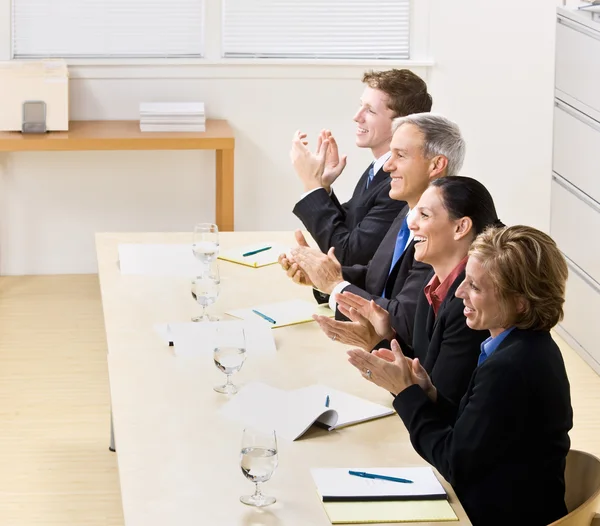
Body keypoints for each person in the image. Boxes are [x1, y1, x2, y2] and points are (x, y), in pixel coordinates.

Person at [347, 226, 573, 526]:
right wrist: (429, 395)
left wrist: (405, 394)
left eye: (475, 287)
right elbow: (478, 435)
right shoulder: (523, 346)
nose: (458, 292)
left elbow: (455, 462)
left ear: (520, 301)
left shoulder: (510, 367)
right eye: (464, 279)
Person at [283, 113, 466, 350]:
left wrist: (335, 285)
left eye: (400, 156)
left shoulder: (441, 233)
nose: (388, 166)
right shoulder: (408, 209)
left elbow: (404, 320)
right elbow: (377, 277)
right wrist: (321, 275)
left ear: (436, 165)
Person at [314, 176, 500, 405]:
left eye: (425, 215)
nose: (412, 224)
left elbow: (439, 404)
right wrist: (382, 339)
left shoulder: (469, 302)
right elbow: (422, 371)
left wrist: (376, 344)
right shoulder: (432, 284)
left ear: (460, 227)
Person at [291, 69, 432, 266]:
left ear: (402, 124)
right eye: (360, 106)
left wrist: (311, 183)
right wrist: (323, 186)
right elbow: (351, 225)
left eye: (370, 110)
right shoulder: (377, 167)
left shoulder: (399, 181)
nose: (357, 117)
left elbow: (348, 254)